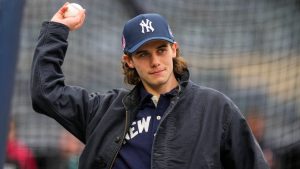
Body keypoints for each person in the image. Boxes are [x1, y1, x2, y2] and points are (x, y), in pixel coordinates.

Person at [30, 2, 269, 169]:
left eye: (161, 50)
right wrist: (57, 30)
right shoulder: (102, 111)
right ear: (129, 61)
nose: (155, 61)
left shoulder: (215, 108)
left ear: (174, 49)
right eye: (143, 54)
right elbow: (46, 92)